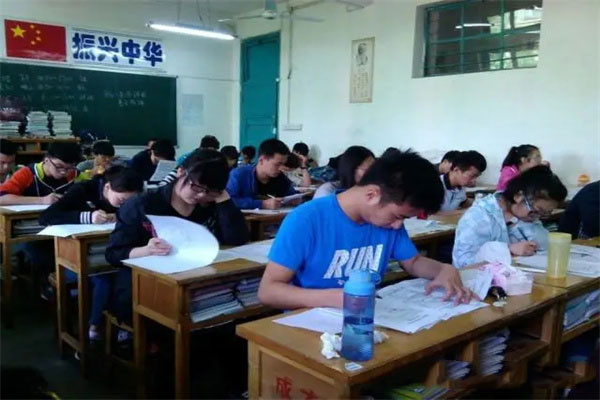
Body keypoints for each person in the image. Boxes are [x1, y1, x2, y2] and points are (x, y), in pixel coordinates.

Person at [258, 150, 475, 310]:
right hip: (310, 321)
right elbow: (268, 290)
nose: (398, 226)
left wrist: (443, 269)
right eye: (398, 217)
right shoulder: (307, 219)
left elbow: (413, 262)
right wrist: (333, 298)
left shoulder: (388, 222)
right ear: (372, 195)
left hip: (365, 318)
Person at [105, 149, 249, 328]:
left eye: (211, 191)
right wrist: (146, 250)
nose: (201, 195)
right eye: (196, 187)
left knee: (229, 318)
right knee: (167, 323)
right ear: (181, 172)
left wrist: (224, 201)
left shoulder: (210, 203)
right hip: (146, 285)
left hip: (198, 281)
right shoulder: (143, 204)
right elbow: (113, 254)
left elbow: (237, 238)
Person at [39, 166, 143, 340]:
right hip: (77, 256)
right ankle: (93, 328)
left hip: (110, 254)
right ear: (107, 187)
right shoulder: (82, 190)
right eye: (121, 200)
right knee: (104, 280)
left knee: (130, 277)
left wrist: (120, 215)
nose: (124, 205)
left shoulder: (127, 198)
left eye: (129, 202)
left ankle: (124, 327)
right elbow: (46, 217)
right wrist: (87, 216)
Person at [453, 165, 567, 268]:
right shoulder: (479, 216)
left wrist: (515, 223)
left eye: (545, 213)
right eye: (537, 211)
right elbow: (463, 264)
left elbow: (545, 244)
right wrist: (508, 250)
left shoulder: (526, 215)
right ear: (518, 196)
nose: (537, 217)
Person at [0, 141, 82, 205]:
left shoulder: (75, 174)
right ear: (46, 160)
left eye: (69, 168)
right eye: (59, 166)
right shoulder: (27, 173)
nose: (64, 171)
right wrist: (42, 200)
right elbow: (1, 197)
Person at [226, 139, 298, 210]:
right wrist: (262, 204)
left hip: (277, 216)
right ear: (261, 160)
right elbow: (229, 201)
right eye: (277, 164)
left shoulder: (281, 178)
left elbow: (292, 195)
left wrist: (295, 200)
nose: (281, 168)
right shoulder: (238, 175)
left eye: (283, 164)